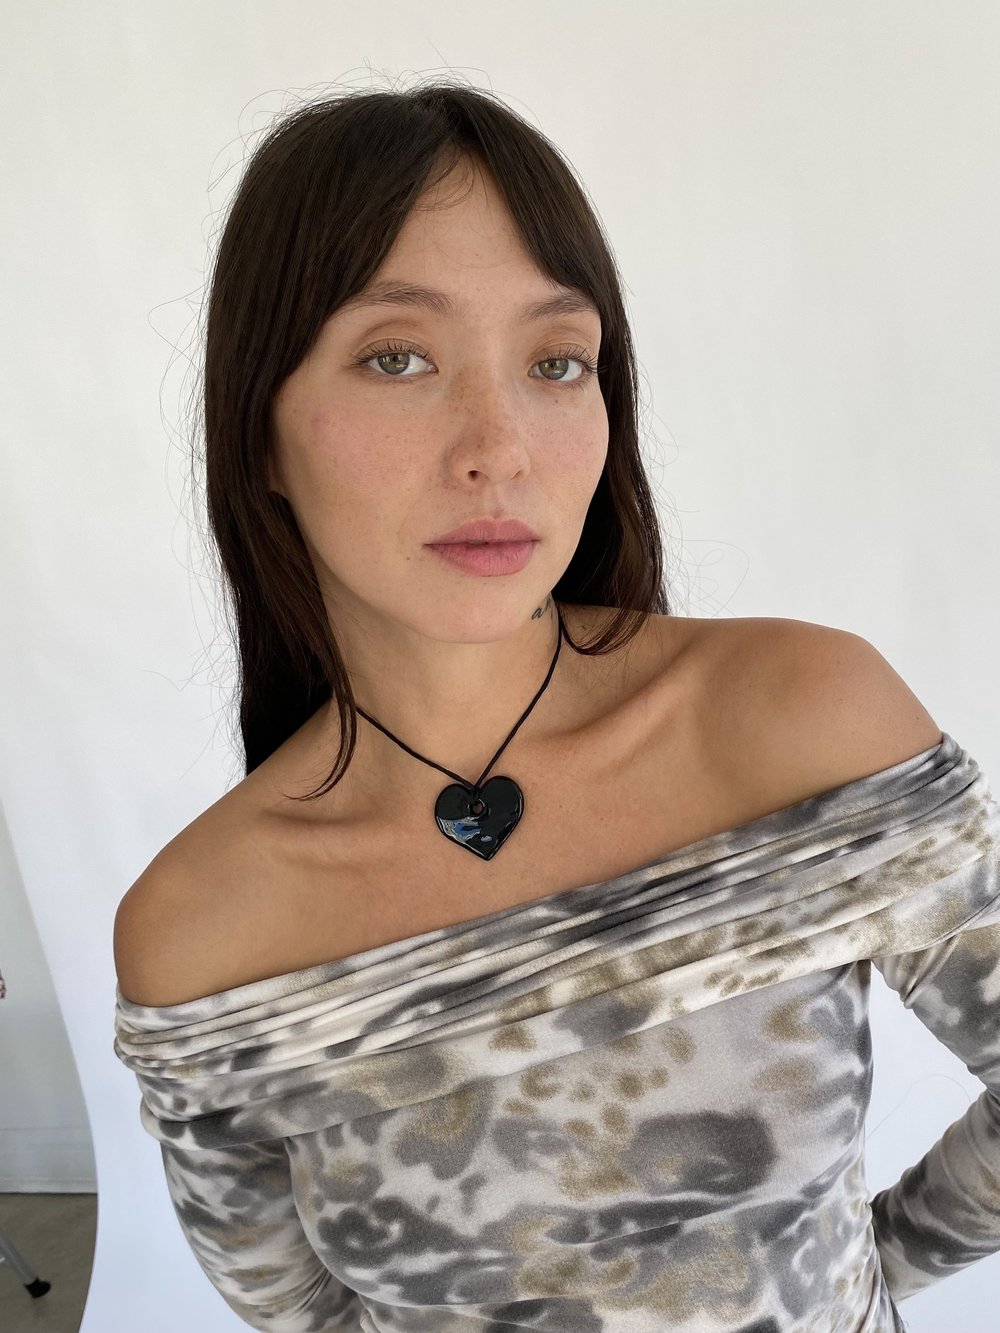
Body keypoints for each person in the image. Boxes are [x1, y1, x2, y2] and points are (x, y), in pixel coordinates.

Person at [112, 81, 1000, 1333]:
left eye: (554, 362)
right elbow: (299, 1309)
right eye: (397, 357)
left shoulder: (799, 724)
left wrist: (851, 1284)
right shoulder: (201, 926)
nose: (499, 445)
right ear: (260, 432)